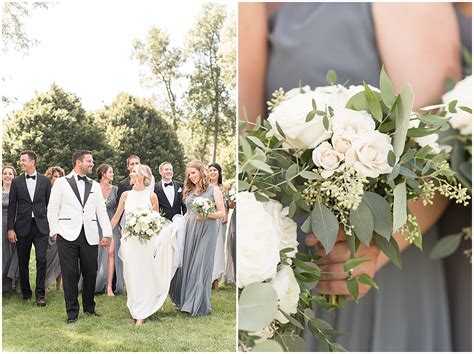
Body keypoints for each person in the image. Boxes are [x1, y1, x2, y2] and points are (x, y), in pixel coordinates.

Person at [239, 3, 462, 351]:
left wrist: (372, 250)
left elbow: (443, 146)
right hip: (278, 266)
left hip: (376, 265)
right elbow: (246, 145)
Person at [47, 150, 112, 323]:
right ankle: (72, 312)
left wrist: (106, 233)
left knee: (91, 272)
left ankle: (89, 308)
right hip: (66, 234)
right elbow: (52, 208)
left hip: (89, 234)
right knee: (70, 274)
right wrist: (55, 231)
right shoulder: (61, 183)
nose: (92, 164)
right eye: (89, 161)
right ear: (78, 162)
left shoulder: (95, 185)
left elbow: (102, 212)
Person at [110, 164, 177, 326]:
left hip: (146, 242)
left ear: (141, 176)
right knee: (131, 275)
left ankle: (142, 312)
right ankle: (135, 307)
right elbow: (116, 218)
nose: (130, 174)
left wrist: (151, 232)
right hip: (129, 242)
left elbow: (157, 221)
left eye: (133, 172)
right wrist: (105, 235)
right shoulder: (126, 195)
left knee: (144, 274)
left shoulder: (152, 196)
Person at [170, 160, 225, 316]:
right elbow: (188, 213)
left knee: (201, 266)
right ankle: (186, 300)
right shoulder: (189, 191)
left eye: (193, 173)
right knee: (188, 264)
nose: (191, 176)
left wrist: (208, 214)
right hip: (191, 231)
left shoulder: (214, 190)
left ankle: (197, 303)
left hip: (207, 231)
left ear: (201, 172)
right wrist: (177, 226)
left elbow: (222, 213)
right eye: (189, 174)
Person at [7, 151, 51, 306]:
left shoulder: (45, 181)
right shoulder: (17, 182)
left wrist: (52, 226)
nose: (21, 163)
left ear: (32, 162)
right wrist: (10, 229)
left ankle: (40, 295)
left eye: (23, 160)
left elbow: (50, 205)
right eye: (20, 160)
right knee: (23, 261)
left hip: (41, 227)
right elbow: (12, 206)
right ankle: (26, 293)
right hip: (22, 226)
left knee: (41, 259)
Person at [95, 163, 123, 296]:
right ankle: (94, 282)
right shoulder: (93, 188)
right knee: (96, 255)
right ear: (103, 173)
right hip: (96, 225)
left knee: (111, 253)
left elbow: (120, 210)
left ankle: (109, 287)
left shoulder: (116, 190)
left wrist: (120, 227)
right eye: (110, 172)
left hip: (112, 224)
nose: (112, 174)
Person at [44, 166, 65, 292]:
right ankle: (46, 283)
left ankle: (58, 285)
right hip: (46, 227)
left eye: (59, 177)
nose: (57, 179)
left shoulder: (64, 192)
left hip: (61, 227)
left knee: (60, 257)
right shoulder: (45, 191)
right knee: (47, 256)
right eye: (55, 176)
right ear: (50, 178)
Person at [208, 163, 228, 289]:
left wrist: (226, 215)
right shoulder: (206, 187)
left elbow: (226, 204)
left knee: (219, 248)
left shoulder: (224, 187)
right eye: (209, 170)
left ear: (219, 172)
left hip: (221, 221)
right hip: (210, 220)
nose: (212, 172)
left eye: (214, 170)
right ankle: (208, 276)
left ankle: (216, 279)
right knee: (210, 248)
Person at [2, 166, 19, 293]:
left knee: (13, 254)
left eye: (10, 174)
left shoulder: (18, 193)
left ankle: (12, 284)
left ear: (14, 176)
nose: (7, 176)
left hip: (14, 225)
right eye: (5, 173)